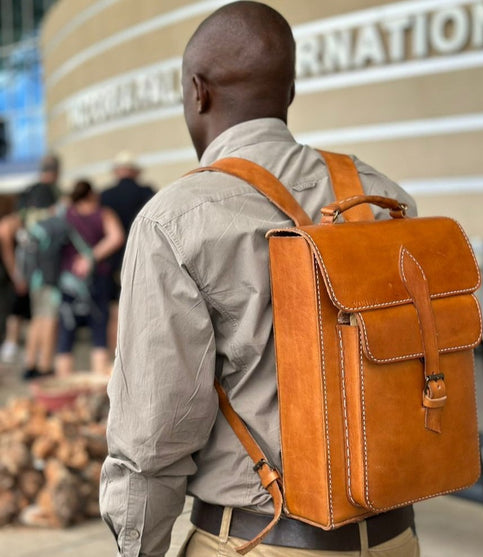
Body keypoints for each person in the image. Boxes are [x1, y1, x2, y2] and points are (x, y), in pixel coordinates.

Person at [100, 3, 419, 557]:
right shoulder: (382, 196)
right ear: (289, 92)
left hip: (258, 541)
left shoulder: (176, 218)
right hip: (395, 537)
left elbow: (153, 436)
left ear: (198, 92)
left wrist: (137, 548)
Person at [0, 154, 62, 378]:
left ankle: (30, 365)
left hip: (31, 272)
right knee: (49, 318)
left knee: (37, 317)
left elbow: (9, 230)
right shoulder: (51, 195)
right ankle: (44, 366)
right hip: (48, 270)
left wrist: (17, 271)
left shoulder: (27, 195)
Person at [55, 179, 124, 377]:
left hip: (68, 280)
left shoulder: (65, 213)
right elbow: (116, 237)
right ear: (92, 194)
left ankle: (64, 385)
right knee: (99, 332)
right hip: (97, 278)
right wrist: (91, 256)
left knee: (66, 334)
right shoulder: (103, 213)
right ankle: (98, 386)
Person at [100, 151, 154, 355]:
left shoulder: (105, 196)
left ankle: (117, 357)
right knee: (144, 311)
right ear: (135, 171)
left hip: (113, 262)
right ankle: (140, 356)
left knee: (115, 311)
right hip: (143, 259)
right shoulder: (147, 192)